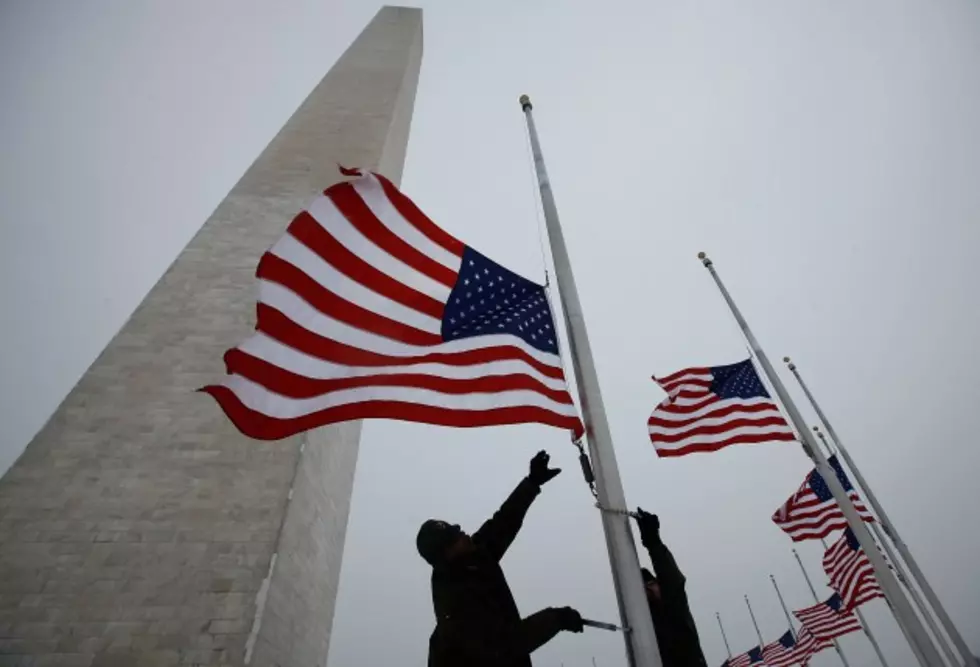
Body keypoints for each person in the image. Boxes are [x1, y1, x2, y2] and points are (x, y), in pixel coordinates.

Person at [417, 450, 584, 667]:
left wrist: (531, 483)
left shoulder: (474, 558)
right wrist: (556, 619)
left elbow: (504, 521)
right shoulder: (456, 605)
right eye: (454, 536)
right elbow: (503, 645)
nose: (462, 532)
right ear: (447, 554)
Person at [635, 508, 708, 667]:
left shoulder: (674, 607)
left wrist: (653, 542)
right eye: (645, 588)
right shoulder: (643, 623)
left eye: (651, 584)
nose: (650, 590)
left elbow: (672, 579)